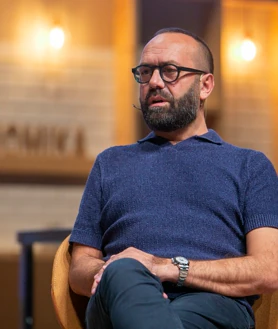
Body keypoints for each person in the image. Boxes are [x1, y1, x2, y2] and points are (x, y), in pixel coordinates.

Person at [68, 27, 278, 329]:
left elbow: (268, 269)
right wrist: (117, 271)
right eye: (145, 71)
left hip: (212, 303)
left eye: (170, 71)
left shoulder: (249, 166)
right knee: (125, 270)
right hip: (119, 298)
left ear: (205, 85)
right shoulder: (110, 163)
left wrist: (164, 267)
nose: (154, 82)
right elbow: (78, 270)